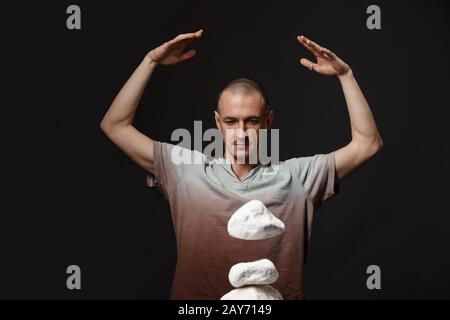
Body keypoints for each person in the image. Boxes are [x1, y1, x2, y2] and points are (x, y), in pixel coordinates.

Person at [100, 29, 383, 299]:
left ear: (268, 121)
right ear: (217, 123)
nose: (242, 132)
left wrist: (346, 75)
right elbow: (115, 125)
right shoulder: (186, 170)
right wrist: (150, 61)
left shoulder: (297, 178)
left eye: (252, 121)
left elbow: (367, 143)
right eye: (231, 122)